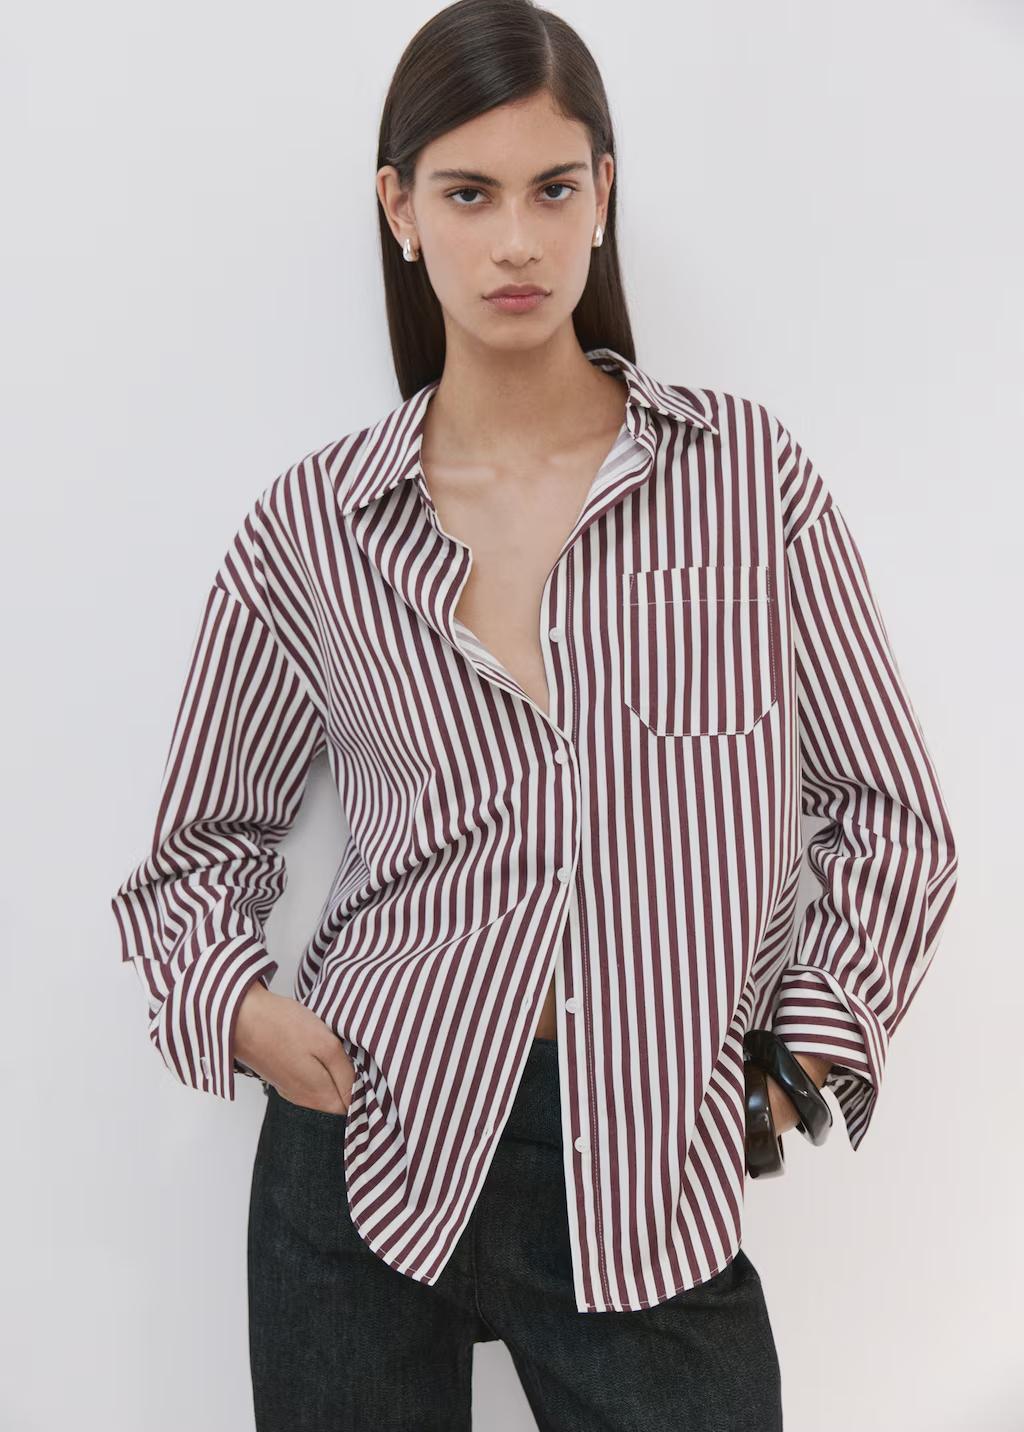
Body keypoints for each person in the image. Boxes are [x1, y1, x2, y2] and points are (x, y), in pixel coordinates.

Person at [110, 1, 958, 1427]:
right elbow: (195, 852)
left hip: (650, 1169)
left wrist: (799, 1058)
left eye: (553, 189)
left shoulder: (747, 484)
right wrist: (247, 1018)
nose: (516, 241)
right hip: (365, 1148)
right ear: (400, 209)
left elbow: (894, 817)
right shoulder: (313, 530)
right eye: (469, 194)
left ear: (603, 194)